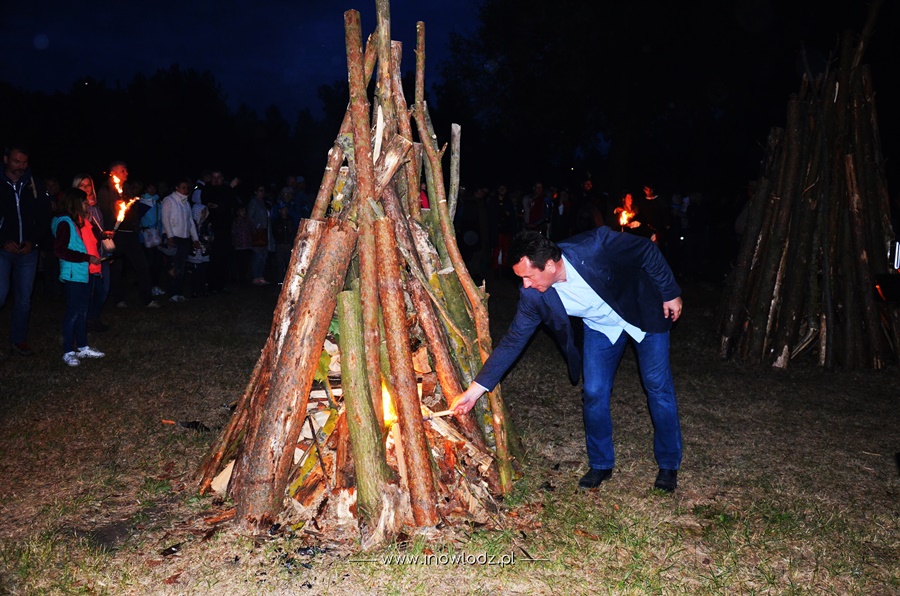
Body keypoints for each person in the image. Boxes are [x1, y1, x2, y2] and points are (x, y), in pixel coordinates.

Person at [451, 229, 684, 492]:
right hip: (601, 328)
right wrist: (473, 392)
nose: (525, 285)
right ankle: (601, 464)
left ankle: (668, 464)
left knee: (657, 386)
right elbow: (513, 341)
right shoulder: (533, 295)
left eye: (528, 276)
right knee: (594, 392)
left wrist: (669, 292)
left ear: (550, 265)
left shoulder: (596, 247)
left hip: (642, 310)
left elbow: (646, 250)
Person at [0, 145, 51, 356]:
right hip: (3, 250)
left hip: (28, 251)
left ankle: (18, 339)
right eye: (16, 161)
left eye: (24, 162)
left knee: (24, 299)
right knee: (1, 294)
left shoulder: (34, 185)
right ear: (6, 159)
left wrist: (33, 241)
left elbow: (44, 218)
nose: (21, 166)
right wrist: (2, 241)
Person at [51, 187, 105, 367]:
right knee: (73, 312)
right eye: (84, 202)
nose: (87, 205)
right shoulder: (65, 223)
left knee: (82, 311)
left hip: (82, 272)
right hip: (73, 274)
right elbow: (60, 250)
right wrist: (87, 258)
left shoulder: (77, 222)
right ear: (75, 203)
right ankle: (68, 351)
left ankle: (82, 346)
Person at [73, 174, 111, 332]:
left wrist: (105, 239)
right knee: (90, 290)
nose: (86, 188)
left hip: (101, 253)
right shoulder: (77, 208)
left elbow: (99, 230)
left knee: (104, 288)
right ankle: (86, 320)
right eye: (82, 185)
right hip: (88, 255)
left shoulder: (96, 206)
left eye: (88, 185)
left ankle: (94, 317)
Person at [161, 179, 200, 303]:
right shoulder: (169, 200)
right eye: (183, 187)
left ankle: (178, 292)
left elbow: (190, 222)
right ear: (177, 188)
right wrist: (169, 236)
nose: (185, 190)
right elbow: (165, 219)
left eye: (187, 188)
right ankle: (172, 293)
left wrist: (195, 238)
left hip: (185, 238)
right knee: (173, 266)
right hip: (174, 238)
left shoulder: (186, 203)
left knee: (181, 266)